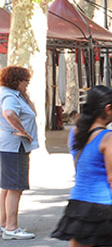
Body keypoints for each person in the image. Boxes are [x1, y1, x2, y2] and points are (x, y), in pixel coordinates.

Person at [52, 86, 112, 246]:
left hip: (77, 206)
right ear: (108, 108)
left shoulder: (76, 132)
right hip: (103, 207)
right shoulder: (109, 138)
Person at [0, 66, 37, 240]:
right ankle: (11, 227)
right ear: (17, 81)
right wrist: (22, 130)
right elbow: (9, 113)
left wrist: (25, 94)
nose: (27, 84)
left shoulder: (13, 94)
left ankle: (3, 223)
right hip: (15, 145)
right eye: (26, 81)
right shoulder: (9, 96)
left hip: (10, 145)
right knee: (15, 187)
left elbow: (32, 112)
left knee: (8, 187)